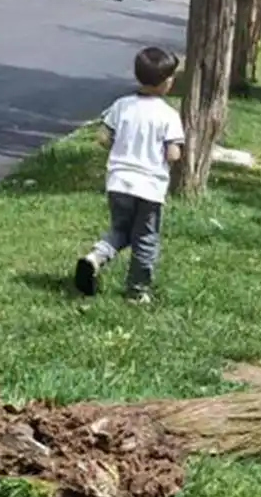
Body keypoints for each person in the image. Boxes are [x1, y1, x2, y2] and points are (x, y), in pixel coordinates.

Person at [74, 47, 185, 304]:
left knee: (121, 229)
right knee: (145, 238)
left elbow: (103, 137)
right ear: (166, 83)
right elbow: (173, 154)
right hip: (149, 187)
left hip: (118, 182)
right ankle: (137, 291)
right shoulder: (168, 115)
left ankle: (95, 258)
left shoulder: (122, 105)